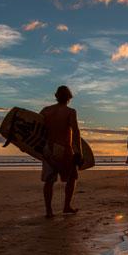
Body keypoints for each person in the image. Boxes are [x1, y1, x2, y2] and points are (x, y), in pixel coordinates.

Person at [40, 86, 82, 218]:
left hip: (48, 148)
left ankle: (48, 211)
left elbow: (36, 129)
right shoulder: (70, 111)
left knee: (49, 180)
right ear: (69, 98)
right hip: (64, 149)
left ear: (56, 96)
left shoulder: (46, 111)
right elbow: (75, 132)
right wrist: (79, 152)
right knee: (72, 177)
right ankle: (66, 206)